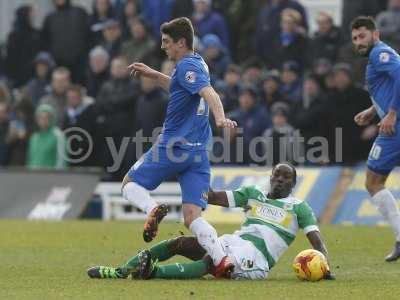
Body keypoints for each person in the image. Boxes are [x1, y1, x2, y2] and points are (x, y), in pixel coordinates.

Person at [125, 17, 237, 277]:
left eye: (167, 42)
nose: (163, 46)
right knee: (192, 216)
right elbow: (180, 87)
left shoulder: (187, 65)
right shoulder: (197, 64)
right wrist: (153, 74)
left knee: (129, 183)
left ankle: (153, 208)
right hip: (198, 153)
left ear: (181, 42)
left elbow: (210, 94)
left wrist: (220, 117)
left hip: (173, 146)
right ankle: (222, 261)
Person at [87, 163, 334, 280]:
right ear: (270, 177)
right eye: (276, 175)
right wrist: (189, 171)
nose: (280, 180)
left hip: (256, 260)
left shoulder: (299, 208)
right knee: (181, 243)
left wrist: (326, 267)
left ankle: (153, 272)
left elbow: (316, 242)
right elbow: (213, 196)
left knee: (210, 262)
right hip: (234, 242)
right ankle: (120, 271)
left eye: (286, 177)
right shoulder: (252, 194)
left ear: (293, 183)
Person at [352, 16, 400, 261]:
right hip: (391, 124)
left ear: (375, 34)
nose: (358, 42)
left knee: (373, 182)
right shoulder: (378, 57)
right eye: (355, 38)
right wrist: (373, 111)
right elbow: (391, 85)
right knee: (373, 181)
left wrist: (392, 113)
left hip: (394, 128)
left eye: (362, 36)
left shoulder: (379, 54)